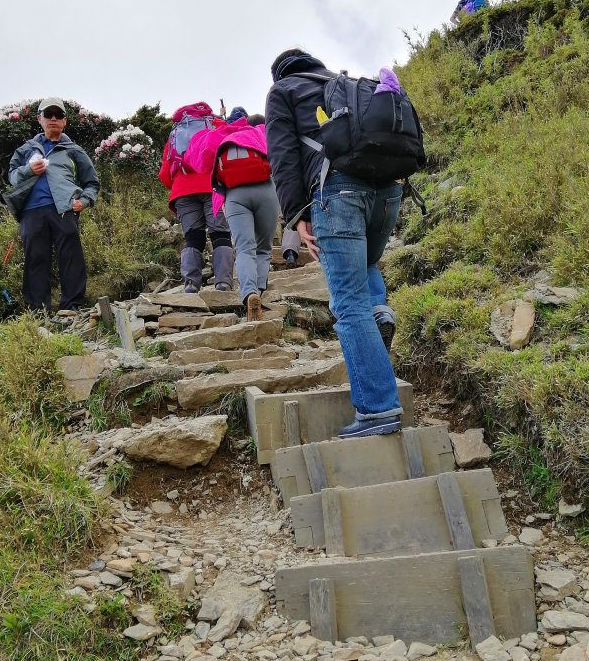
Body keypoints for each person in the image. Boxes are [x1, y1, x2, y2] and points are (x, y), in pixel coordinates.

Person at [265, 49, 407, 439]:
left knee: (347, 302)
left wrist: (296, 215)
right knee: (365, 266)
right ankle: (379, 310)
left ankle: (378, 409)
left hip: (337, 192)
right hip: (387, 194)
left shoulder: (282, 92)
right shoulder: (345, 82)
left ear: (280, 74)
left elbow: (282, 156)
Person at [5, 97, 99, 314]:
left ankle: (72, 307)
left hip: (64, 208)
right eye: (49, 115)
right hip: (31, 210)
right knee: (35, 259)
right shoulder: (26, 149)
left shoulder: (73, 150)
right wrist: (29, 170)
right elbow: (12, 176)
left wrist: (83, 201)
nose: (53, 119)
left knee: (71, 257)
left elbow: (92, 182)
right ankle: (37, 312)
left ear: (65, 121)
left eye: (59, 115)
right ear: (40, 119)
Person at [185, 109, 277, 321]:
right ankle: (260, 293)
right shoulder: (261, 131)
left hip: (234, 194)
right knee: (263, 247)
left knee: (245, 248)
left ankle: (249, 293)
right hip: (265, 189)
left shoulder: (223, 135)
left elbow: (199, 160)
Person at [158, 102, 235, 293]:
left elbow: (165, 174)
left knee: (193, 238)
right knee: (220, 234)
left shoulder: (175, 134)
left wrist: (179, 184)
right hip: (213, 186)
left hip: (183, 191)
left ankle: (191, 283)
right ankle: (223, 283)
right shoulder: (216, 125)